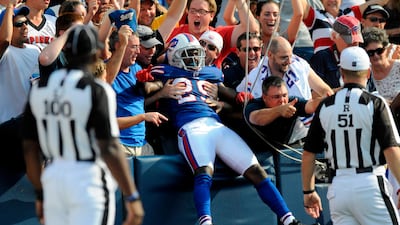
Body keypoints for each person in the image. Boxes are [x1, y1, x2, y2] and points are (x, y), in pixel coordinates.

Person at [150, 33, 308, 225]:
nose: (194, 58)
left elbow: (233, 97)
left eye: (196, 53)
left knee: (256, 170)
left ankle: (289, 219)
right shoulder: (163, 73)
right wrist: (161, 91)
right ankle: (205, 222)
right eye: (188, 54)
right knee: (203, 173)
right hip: (191, 128)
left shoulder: (210, 74)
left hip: (216, 126)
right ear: (174, 56)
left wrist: (221, 101)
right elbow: (146, 86)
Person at [22, 24, 144, 225]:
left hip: (53, 178)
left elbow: (29, 149)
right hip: (88, 180)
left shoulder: (40, 88)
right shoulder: (97, 89)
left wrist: (40, 193)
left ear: (66, 51)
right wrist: (132, 196)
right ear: (96, 52)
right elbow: (110, 147)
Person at [301, 46, 400, 225]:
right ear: (368, 72)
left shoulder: (326, 106)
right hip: (369, 184)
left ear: (341, 73)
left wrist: (308, 191)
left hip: (338, 188)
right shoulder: (375, 103)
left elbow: (308, 153)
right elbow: (391, 150)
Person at [0, 4, 40, 171]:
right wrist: (9, 6)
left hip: (32, 128)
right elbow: (4, 41)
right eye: (18, 24)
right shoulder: (5, 53)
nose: (25, 27)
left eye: (26, 23)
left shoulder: (35, 51)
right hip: (7, 128)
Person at [166, 0, 259, 68]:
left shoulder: (219, 34)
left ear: (212, 16)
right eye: (193, 11)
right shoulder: (174, 33)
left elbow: (251, 30)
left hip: (210, 89)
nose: (197, 15)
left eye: (202, 12)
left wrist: (239, 1)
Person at [236, 36, 333, 101]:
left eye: (290, 56)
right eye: (284, 57)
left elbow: (324, 90)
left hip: (302, 123)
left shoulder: (300, 65)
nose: (289, 61)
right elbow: (239, 93)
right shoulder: (256, 75)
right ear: (270, 55)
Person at [245, 76, 323, 148]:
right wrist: (279, 110)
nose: (282, 100)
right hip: (254, 150)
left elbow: (311, 105)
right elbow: (256, 118)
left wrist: (327, 100)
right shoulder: (254, 105)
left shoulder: (292, 102)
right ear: (264, 97)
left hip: (282, 149)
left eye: (284, 95)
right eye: (276, 97)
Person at [296, 0, 387, 53]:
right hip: (324, 64)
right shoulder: (315, 16)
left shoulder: (350, 14)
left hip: (350, 62)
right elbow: (300, 5)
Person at [310, 15, 364, 89]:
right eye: (349, 40)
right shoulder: (321, 58)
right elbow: (312, 96)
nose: (354, 44)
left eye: (357, 40)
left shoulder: (363, 57)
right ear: (334, 36)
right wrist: (343, 91)